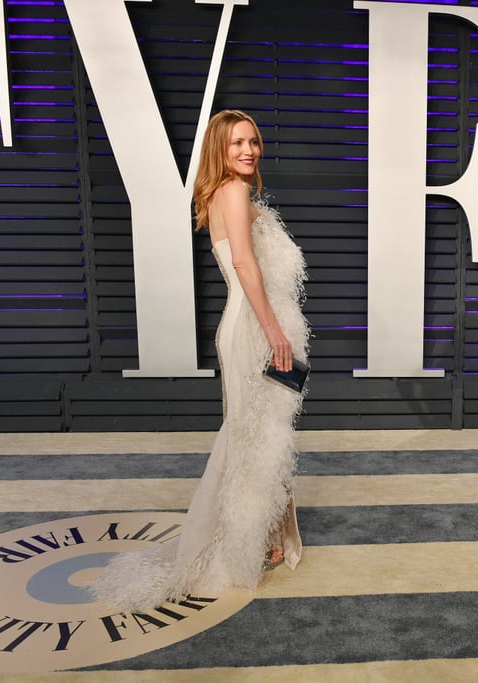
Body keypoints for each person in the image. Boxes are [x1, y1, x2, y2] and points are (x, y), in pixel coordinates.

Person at [91, 110, 309, 611]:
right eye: (237, 144)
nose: (249, 151)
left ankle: (264, 539)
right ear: (219, 150)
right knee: (249, 437)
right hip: (253, 328)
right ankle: (236, 549)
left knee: (260, 437)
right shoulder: (231, 192)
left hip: (249, 324)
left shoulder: (227, 194)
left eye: (253, 141)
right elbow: (243, 264)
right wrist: (275, 331)